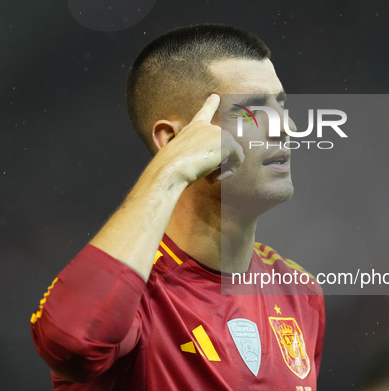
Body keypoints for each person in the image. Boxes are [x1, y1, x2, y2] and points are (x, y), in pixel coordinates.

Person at [30, 23, 325, 390]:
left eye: (282, 106)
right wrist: (170, 170)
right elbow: (72, 344)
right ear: (172, 139)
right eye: (253, 111)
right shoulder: (133, 293)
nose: (286, 128)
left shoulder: (298, 290)